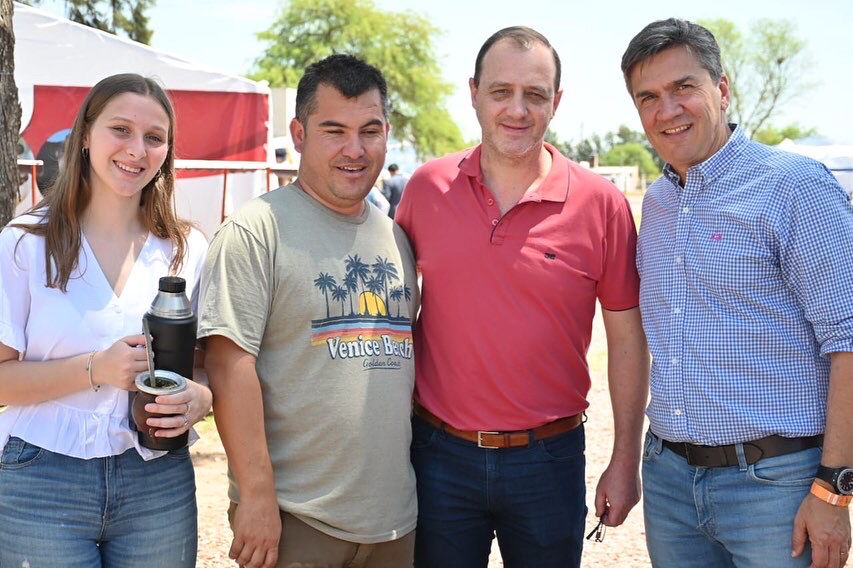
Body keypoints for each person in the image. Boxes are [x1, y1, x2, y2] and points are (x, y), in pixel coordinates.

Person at [395, 26, 649, 567]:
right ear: (473, 93)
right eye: (500, 91)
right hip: (438, 455)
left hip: (548, 460)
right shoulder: (426, 188)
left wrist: (625, 458)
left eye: (535, 94)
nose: (517, 109)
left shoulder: (602, 205)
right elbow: (393, 311)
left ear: (556, 101)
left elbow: (627, 339)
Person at [621, 18, 853, 568]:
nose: (667, 110)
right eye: (648, 97)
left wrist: (834, 487)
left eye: (683, 87)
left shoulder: (796, 188)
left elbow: (848, 341)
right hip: (670, 484)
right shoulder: (657, 204)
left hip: (776, 487)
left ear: (721, 89)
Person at [200, 54, 419, 568]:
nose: (354, 149)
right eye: (333, 131)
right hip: (297, 518)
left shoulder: (396, 237)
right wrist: (256, 497)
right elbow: (228, 367)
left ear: (387, 135)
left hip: (394, 522)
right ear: (299, 135)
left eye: (369, 131)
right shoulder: (256, 231)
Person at [0, 73, 212, 567]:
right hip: (41, 479)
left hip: (158, 480)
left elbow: (204, 366)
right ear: (86, 135)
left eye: (154, 137)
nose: (137, 149)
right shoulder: (24, 243)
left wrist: (200, 398)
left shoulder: (188, 249)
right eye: (121, 129)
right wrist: (95, 368)